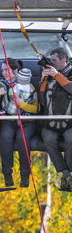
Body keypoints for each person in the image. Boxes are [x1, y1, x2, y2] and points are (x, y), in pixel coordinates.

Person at [0, 60, 39, 188]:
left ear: (15, 71)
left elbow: (36, 109)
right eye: (2, 70)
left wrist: (21, 104)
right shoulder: (1, 85)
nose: (3, 73)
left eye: (6, 70)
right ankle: (7, 175)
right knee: (5, 138)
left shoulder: (29, 87)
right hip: (9, 118)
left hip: (27, 120)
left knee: (22, 138)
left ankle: (24, 176)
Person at [39, 47, 72, 191]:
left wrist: (57, 75)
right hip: (51, 121)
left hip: (69, 121)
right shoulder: (49, 75)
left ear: (64, 60)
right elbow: (42, 101)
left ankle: (69, 175)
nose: (51, 64)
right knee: (48, 140)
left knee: (71, 140)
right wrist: (44, 80)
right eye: (50, 61)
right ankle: (66, 175)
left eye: (54, 61)